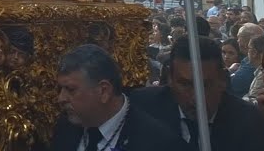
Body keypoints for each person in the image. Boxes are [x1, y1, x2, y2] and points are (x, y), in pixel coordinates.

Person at [131, 36, 264, 151]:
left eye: (205, 85)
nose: (196, 98)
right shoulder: (143, 108)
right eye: (185, 84)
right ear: (170, 79)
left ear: (222, 80)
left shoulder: (249, 121)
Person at [51, 44, 183, 151]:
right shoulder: (65, 129)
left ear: (104, 91)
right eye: (60, 89)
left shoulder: (158, 142)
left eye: (70, 90)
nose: (61, 98)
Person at [230, 22, 263, 97]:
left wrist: (229, 71)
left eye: (239, 37)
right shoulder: (246, 59)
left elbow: (235, 84)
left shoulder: (254, 62)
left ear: (250, 39)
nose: (237, 41)